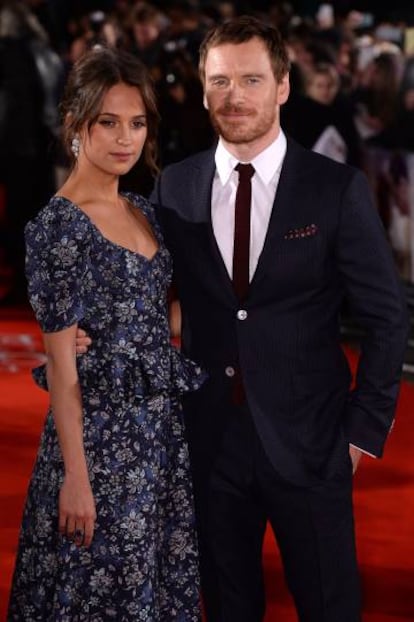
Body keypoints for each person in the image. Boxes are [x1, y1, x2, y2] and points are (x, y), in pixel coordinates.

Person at [79, 16, 409, 622]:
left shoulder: (335, 189)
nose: (235, 97)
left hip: (312, 444)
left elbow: (389, 317)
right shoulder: (175, 188)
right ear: (204, 90)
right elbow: (146, 295)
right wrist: (93, 327)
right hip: (210, 446)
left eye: (251, 80)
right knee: (228, 607)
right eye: (221, 81)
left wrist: (362, 432)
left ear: (283, 86)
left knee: (330, 606)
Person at [7, 45, 205, 621]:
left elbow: (153, 317)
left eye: (137, 123)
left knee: (151, 588)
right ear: (75, 125)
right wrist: (76, 478)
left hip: (158, 438)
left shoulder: (143, 208)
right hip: (98, 443)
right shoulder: (57, 225)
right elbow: (62, 368)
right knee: (96, 592)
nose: (126, 138)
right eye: (109, 123)